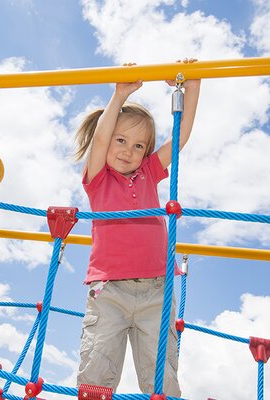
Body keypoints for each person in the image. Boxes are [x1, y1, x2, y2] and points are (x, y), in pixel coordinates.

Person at [74, 60, 200, 396]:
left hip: (156, 291)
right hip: (109, 292)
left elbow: (181, 136)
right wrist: (119, 95)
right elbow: (99, 140)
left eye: (139, 145)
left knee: (161, 377)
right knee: (96, 372)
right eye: (121, 140)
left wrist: (194, 86)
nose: (129, 151)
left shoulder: (149, 173)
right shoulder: (98, 180)